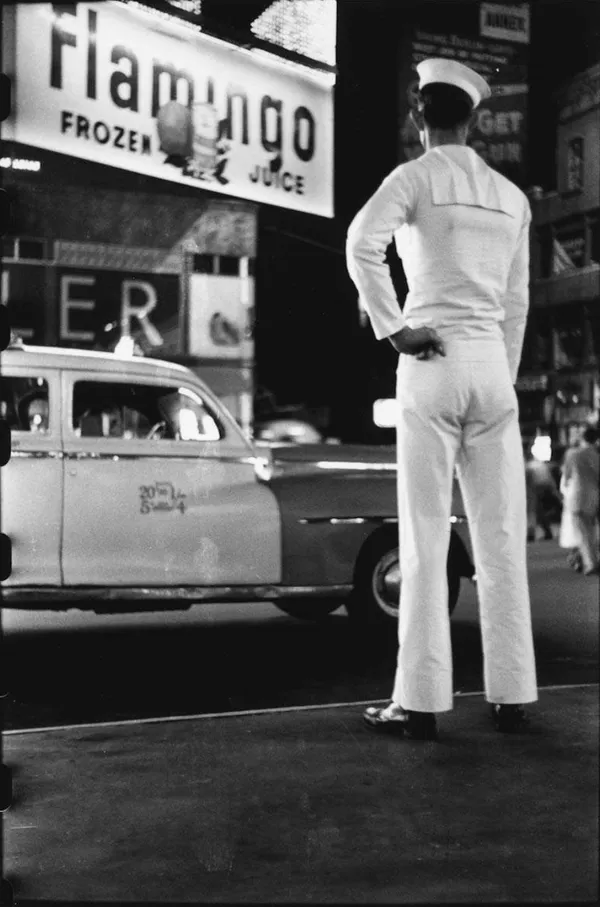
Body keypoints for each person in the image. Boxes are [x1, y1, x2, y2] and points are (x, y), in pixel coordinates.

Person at [346, 58, 538, 740]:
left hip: (430, 362)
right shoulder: (512, 198)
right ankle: (512, 693)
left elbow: (360, 244)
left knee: (425, 534)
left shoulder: (413, 179)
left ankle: (421, 702)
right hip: (491, 367)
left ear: (417, 116)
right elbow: (517, 301)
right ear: (475, 120)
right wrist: (500, 374)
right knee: (501, 537)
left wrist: (395, 328)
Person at [559, 427, 599, 576]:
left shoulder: (572, 454)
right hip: (593, 496)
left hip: (576, 496)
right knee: (592, 530)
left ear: (583, 438)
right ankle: (592, 560)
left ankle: (590, 563)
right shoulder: (596, 455)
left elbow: (567, 476)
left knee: (583, 532)